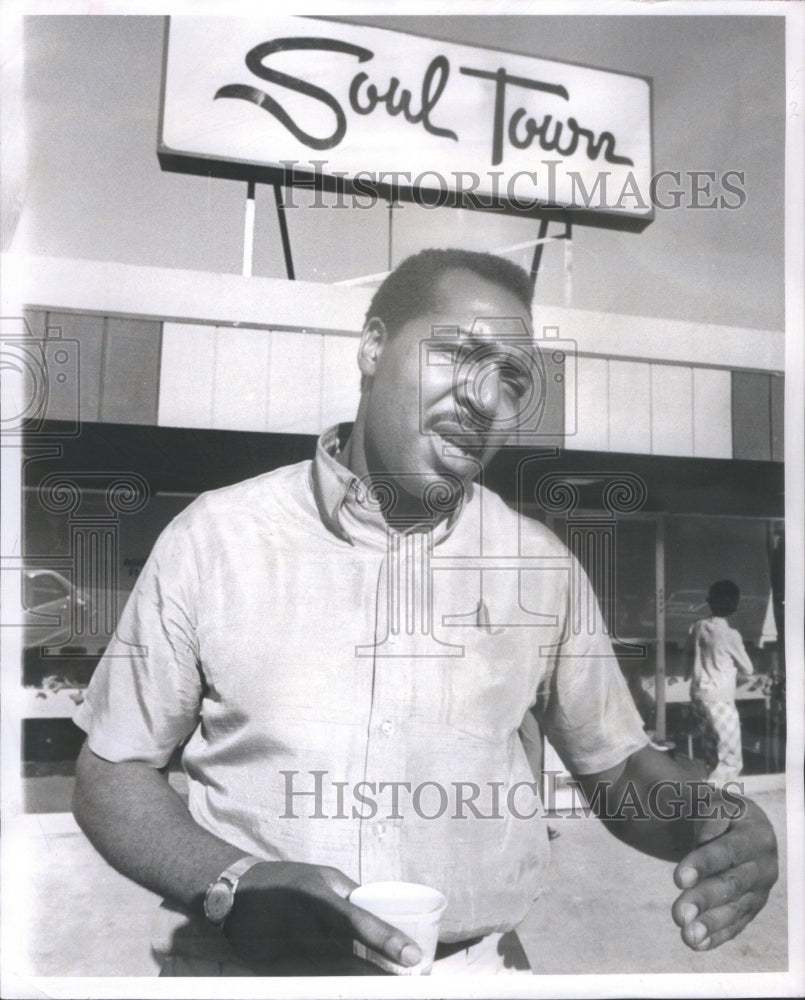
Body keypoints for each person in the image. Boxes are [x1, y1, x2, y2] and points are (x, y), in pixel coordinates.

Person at [72, 249, 778, 977]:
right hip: (242, 971)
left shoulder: (540, 570)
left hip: (472, 975)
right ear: (373, 347)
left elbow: (619, 770)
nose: (484, 398)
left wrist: (708, 813)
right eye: (457, 353)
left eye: (510, 379)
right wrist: (232, 880)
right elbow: (111, 771)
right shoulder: (214, 539)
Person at [685, 580, 756, 786]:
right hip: (720, 697)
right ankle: (720, 798)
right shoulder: (730, 635)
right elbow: (748, 668)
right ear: (734, 603)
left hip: (698, 694)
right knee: (729, 756)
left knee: (711, 749)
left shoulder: (696, 627)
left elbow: (688, 658)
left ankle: (710, 793)